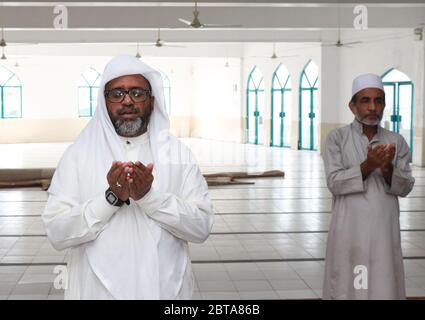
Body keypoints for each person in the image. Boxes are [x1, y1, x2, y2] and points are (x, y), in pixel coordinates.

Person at [42, 55, 214, 300]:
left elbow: (201, 228)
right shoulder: (78, 155)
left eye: (137, 93)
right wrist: (110, 199)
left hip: (165, 290)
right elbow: (57, 233)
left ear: (152, 100)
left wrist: (150, 198)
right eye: (117, 94)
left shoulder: (177, 155)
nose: (127, 102)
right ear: (104, 102)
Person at [322, 73, 415, 299]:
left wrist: (386, 168)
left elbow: (405, 187)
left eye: (378, 100)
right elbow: (334, 182)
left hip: (384, 230)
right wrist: (367, 166)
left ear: (384, 105)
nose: (373, 107)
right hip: (350, 231)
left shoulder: (397, 141)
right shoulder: (337, 139)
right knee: (352, 285)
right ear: (352, 106)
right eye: (365, 101)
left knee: (383, 285)